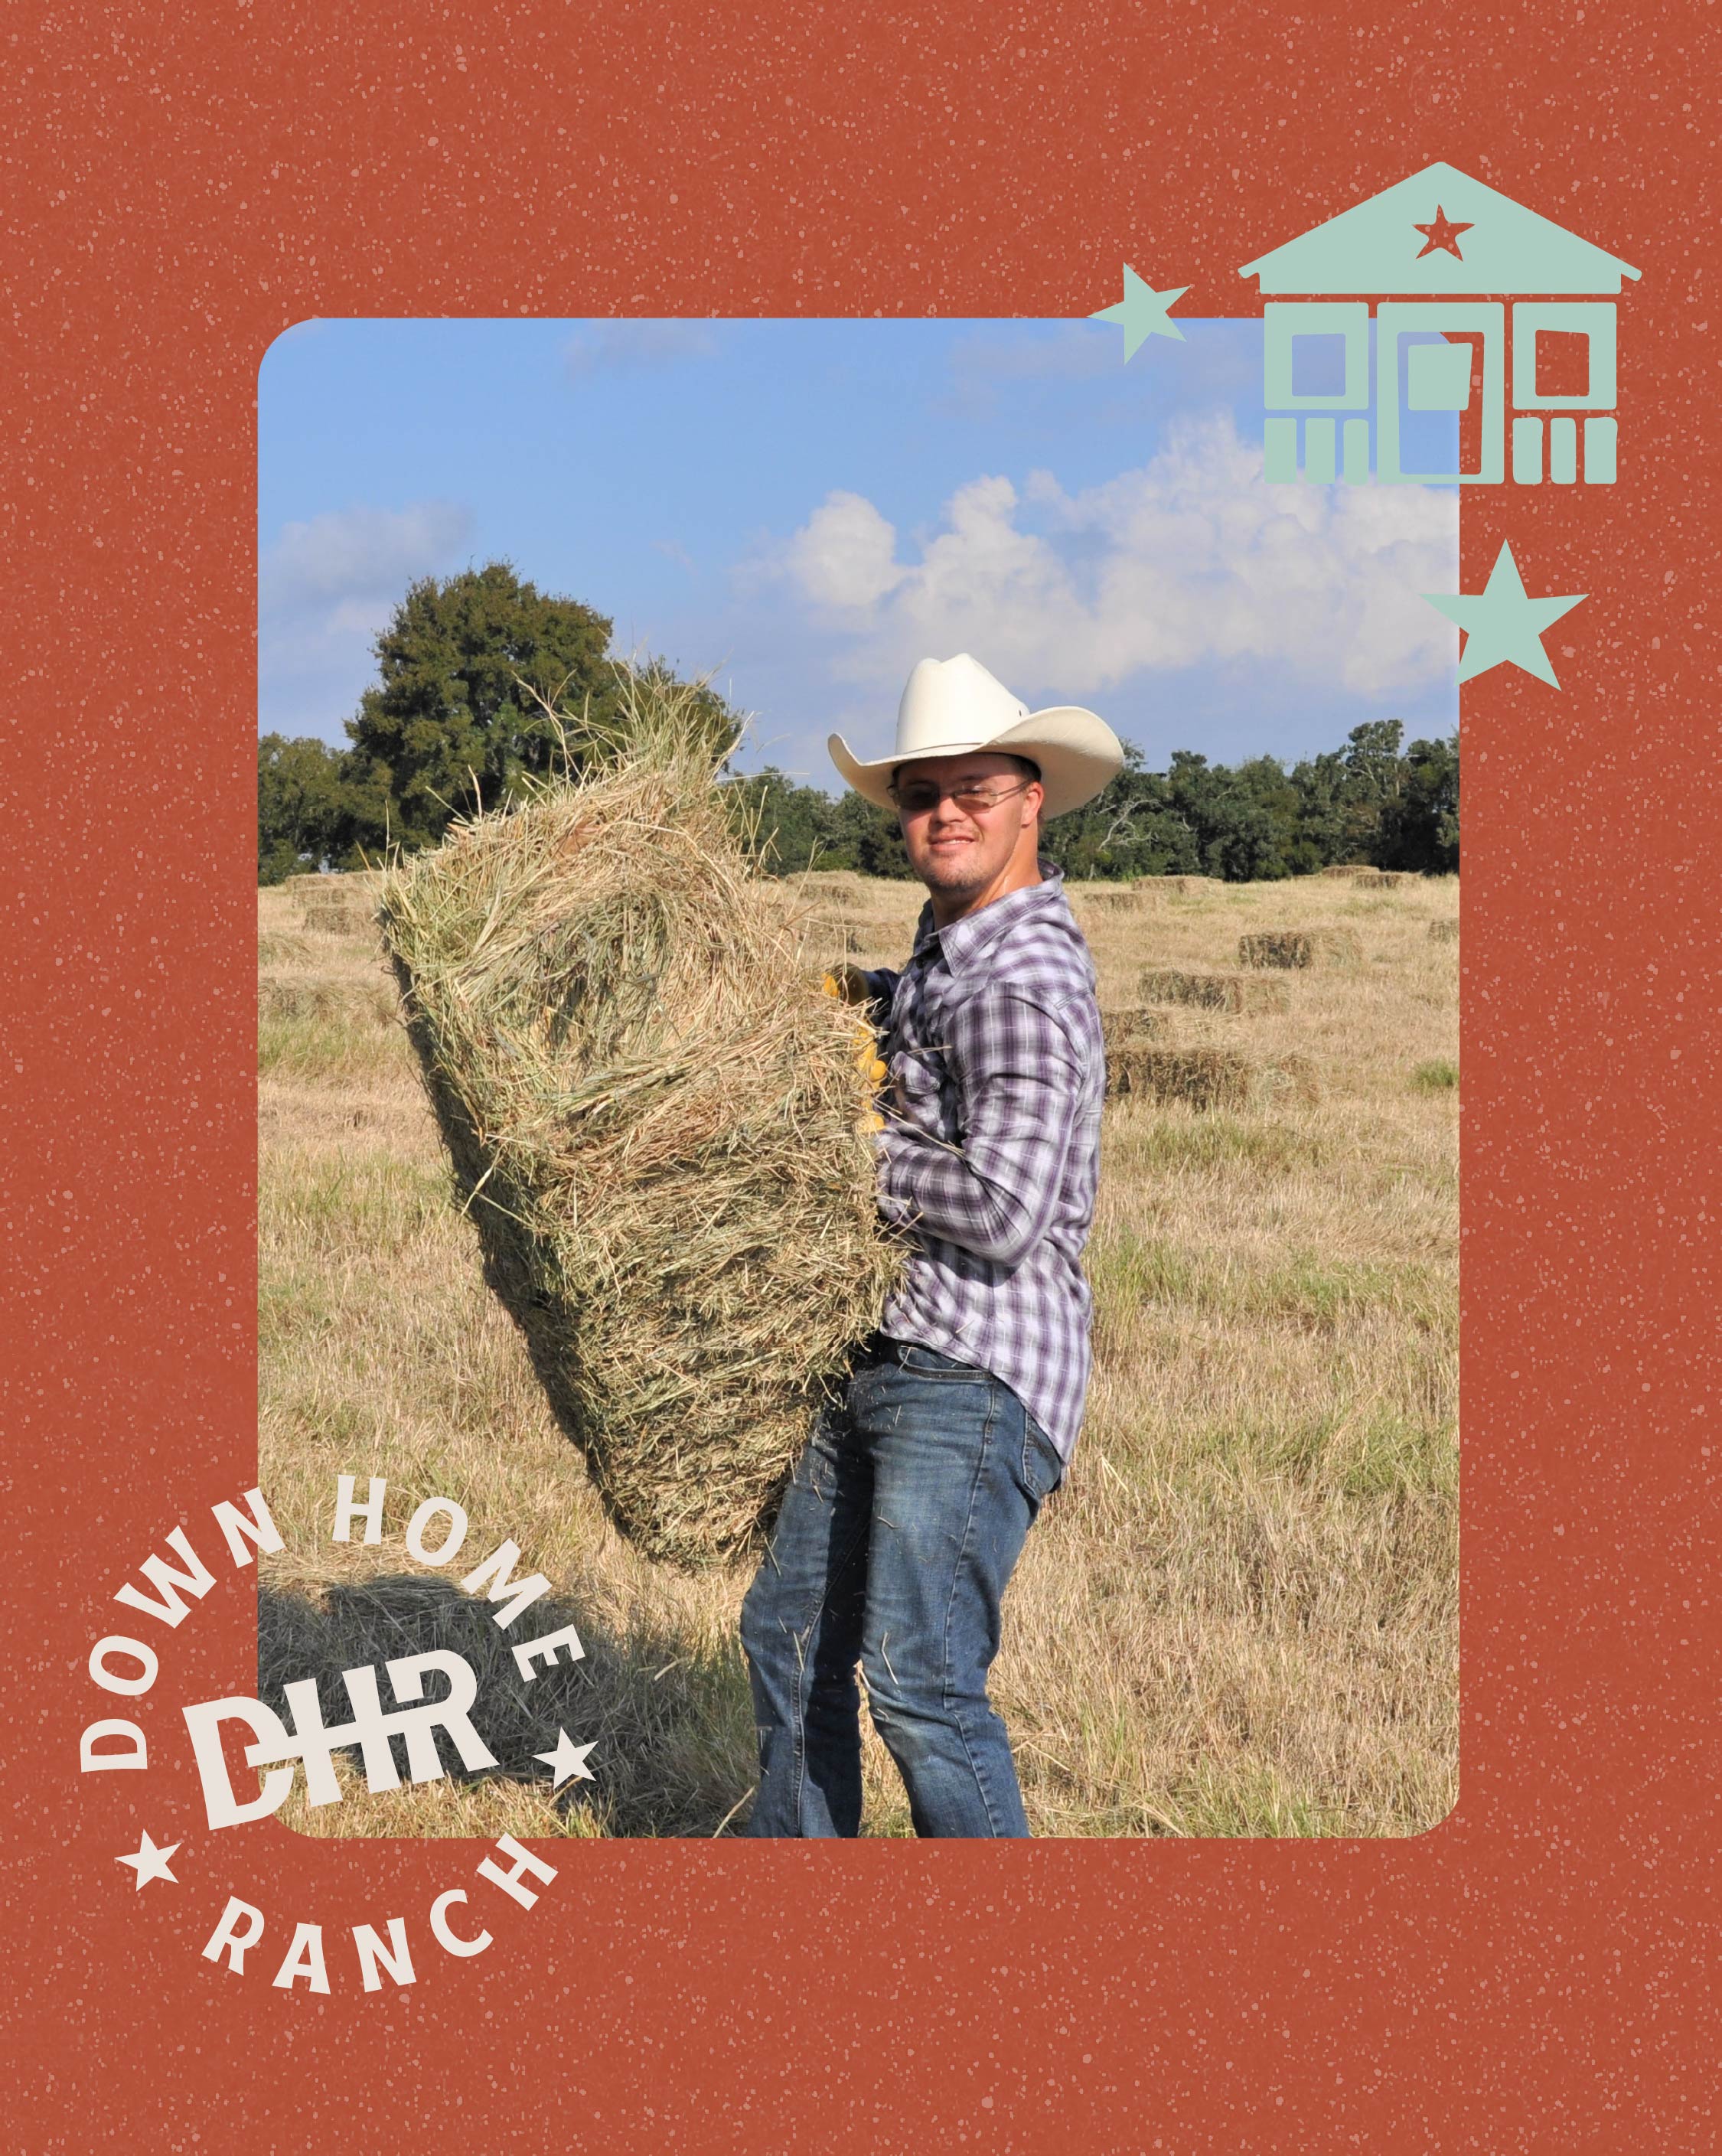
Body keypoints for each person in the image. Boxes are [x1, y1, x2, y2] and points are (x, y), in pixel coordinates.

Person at [739, 651, 1124, 1838]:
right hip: (881, 1346)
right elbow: (922, 1031)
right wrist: (845, 1001)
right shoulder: (952, 944)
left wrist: (847, 1147)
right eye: (921, 796)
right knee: (787, 1636)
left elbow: (1003, 1209)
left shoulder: (1016, 981)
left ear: (1030, 801)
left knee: (922, 1687)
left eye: (973, 790)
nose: (944, 814)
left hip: (968, 1369)